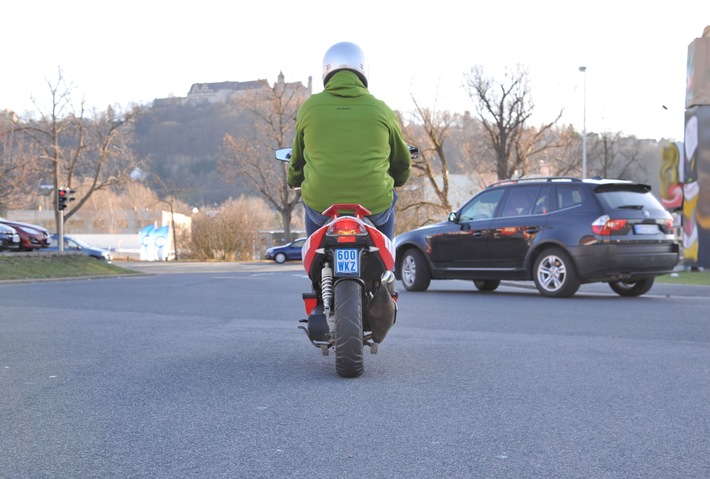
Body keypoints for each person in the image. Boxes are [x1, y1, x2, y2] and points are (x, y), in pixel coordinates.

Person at [287, 41, 412, 240]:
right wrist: (399, 179)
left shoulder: (309, 108)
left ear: (326, 71)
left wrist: (294, 179)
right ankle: (387, 265)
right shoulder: (382, 110)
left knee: (312, 225)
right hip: (374, 205)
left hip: (322, 206)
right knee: (388, 206)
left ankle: (316, 267)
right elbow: (401, 161)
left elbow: (297, 159)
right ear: (362, 72)